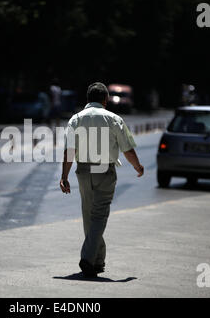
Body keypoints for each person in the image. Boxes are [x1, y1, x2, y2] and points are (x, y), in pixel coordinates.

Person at [60, 82, 144, 278]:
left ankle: (98, 261)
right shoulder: (114, 119)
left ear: (88, 100)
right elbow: (128, 149)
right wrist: (137, 167)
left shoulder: (75, 120)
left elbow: (69, 151)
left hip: (83, 171)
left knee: (90, 216)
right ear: (105, 100)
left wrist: (64, 176)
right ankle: (87, 258)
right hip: (105, 172)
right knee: (98, 217)